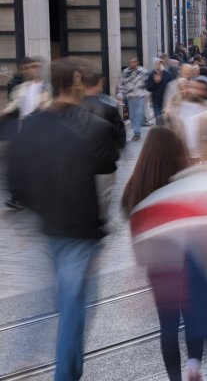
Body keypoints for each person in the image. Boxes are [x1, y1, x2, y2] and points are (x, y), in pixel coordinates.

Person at [7, 58, 119, 381]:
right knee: (73, 310)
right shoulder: (99, 129)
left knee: (53, 303)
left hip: (45, 229)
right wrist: (99, 231)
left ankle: (25, 358)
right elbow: (105, 188)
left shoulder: (29, 128)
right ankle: (65, 375)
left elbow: (17, 184)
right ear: (78, 82)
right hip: (80, 233)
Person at [121, 127, 206, 381]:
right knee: (194, 318)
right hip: (189, 260)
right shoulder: (185, 182)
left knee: (167, 326)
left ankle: (174, 378)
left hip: (158, 265)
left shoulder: (136, 184)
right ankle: (194, 365)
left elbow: (130, 217)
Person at [1, 56, 52, 210]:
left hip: (40, 133)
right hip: (22, 132)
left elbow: (47, 106)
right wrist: (3, 111)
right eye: (28, 67)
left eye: (35, 66)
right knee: (15, 166)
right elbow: (15, 104)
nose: (31, 70)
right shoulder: (20, 88)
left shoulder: (47, 87)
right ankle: (17, 198)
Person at [80, 70, 126, 223]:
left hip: (80, 161)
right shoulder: (110, 107)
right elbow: (120, 137)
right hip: (105, 161)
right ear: (99, 83)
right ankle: (101, 220)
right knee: (104, 195)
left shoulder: (73, 108)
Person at [118, 57, 148, 140]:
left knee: (139, 114)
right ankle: (136, 132)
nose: (132, 64)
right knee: (132, 116)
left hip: (140, 95)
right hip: (130, 96)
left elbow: (148, 83)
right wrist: (120, 94)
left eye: (134, 62)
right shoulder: (126, 72)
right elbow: (122, 84)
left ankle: (137, 131)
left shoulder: (143, 72)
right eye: (131, 62)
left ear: (137, 62)